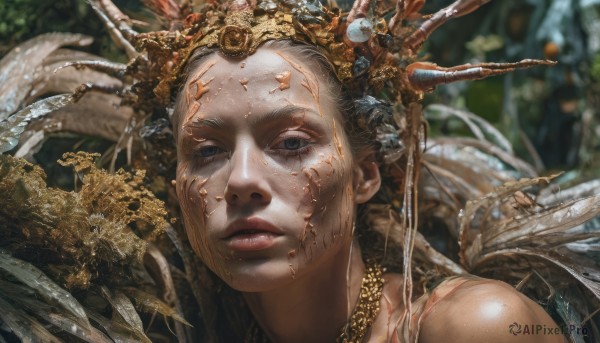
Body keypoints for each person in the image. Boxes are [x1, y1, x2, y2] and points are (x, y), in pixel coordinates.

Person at [0, 0, 598, 342]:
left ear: (364, 175)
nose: (240, 180)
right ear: (175, 186)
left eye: (289, 142)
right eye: (205, 151)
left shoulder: (476, 327)